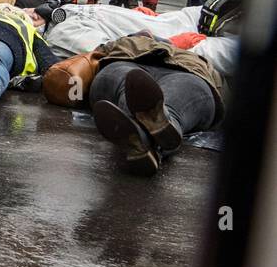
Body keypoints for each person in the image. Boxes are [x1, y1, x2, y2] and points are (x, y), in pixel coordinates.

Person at [87, 35, 228, 175]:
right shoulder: (127, 39)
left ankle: (143, 134)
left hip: (187, 73)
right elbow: (92, 53)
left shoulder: (205, 50)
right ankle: (155, 128)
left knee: (173, 97)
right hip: (127, 65)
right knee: (131, 83)